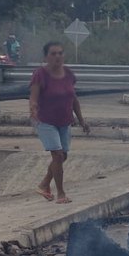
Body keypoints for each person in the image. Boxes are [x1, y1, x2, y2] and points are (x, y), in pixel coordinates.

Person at [29, 41, 89, 204]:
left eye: (60, 53)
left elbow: (73, 98)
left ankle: (44, 185)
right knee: (57, 154)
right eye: (53, 54)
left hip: (64, 121)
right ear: (46, 57)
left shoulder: (68, 74)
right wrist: (33, 109)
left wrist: (81, 120)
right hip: (45, 121)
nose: (57, 57)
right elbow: (33, 97)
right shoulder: (40, 74)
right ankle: (61, 194)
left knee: (63, 156)